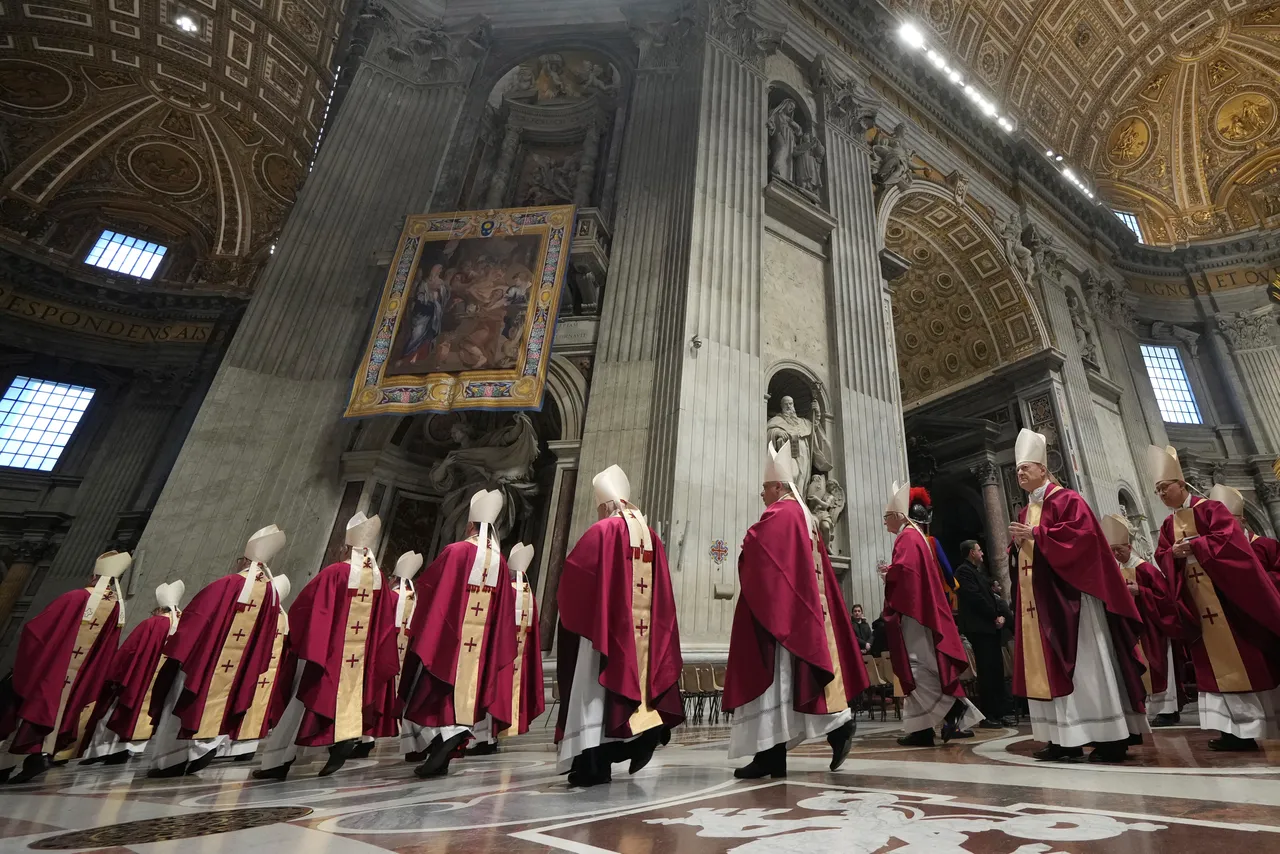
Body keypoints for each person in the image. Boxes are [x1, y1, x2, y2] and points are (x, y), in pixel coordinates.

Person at [723, 441, 865, 779]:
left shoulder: (781, 513)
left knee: (778, 682)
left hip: (783, 616)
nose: (762, 494)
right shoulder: (805, 516)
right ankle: (772, 756)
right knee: (788, 686)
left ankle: (830, 730)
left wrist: (746, 546)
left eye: (765, 487)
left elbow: (760, 550)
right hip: (798, 612)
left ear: (778, 486)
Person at [1009, 429, 1148, 763]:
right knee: (1049, 668)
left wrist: (1037, 534)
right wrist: (1016, 547)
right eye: (1017, 470)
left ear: (1043, 469)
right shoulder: (1025, 511)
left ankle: (1110, 738)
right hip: (1041, 604)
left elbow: (1083, 540)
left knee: (1086, 666)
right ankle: (1063, 739)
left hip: (1074, 601)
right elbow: (1026, 554)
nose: (1020, 473)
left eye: (1026, 467)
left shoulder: (1068, 500)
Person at [556, 465, 683, 787]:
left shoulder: (602, 531)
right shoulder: (651, 536)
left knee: (594, 692)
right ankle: (637, 737)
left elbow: (575, 574)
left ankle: (594, 764)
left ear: (605, 506)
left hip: (604, 633)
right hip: (641, 635)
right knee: (627, 687)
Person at [1149, 446, 1280, 751]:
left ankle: (1248, 730)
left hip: (1227, 601)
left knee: (1241, 661)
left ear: (1181, 484)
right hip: (1198, 605)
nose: (1161, 494)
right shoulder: (1168, 524)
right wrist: (1172, 553)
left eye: (1165, 487)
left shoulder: (1211, 510)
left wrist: (1195, 546)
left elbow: (1230, 542)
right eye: (1157, 490)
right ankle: (1229, 731)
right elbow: (1162, 554)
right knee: (1212, 667)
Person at [253, 513, 399, 780]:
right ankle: (342, 738)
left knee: (301, 701)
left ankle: (277, 761)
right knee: (344, 700)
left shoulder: (335, 572)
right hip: (358, 660)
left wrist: (300, 641)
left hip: (325, 654)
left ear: (345, 548)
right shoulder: (377, 579)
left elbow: (306, 609)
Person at [147, 526, 286, 778]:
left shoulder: (227, 583)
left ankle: (171, 760)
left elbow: (197, 617)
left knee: (182, 700)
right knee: (221, 701)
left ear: (244, 561)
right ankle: (206, 745)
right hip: (238, 666)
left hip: (206, 660)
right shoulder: (270, 594)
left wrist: (178, 648)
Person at [400, 491, 516, 777]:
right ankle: (448, 744)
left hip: (449, 638)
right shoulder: (499, 562)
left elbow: (431, 589)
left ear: (470, 525)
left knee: (428, 690)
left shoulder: (455, 551)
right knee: (461, 690)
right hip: (479, 646)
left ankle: (448, 735)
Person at [0, 551, 130, 784]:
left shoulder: (75, 597)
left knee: (31, 707)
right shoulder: (115, 608)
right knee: (61, 709)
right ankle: (40, 756)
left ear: (93, 576)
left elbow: (38, 631)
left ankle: (8, 764)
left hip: (53, 670)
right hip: (79, 676)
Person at [882, 483, 984, 746]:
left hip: (914, 613)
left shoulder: (907, 537)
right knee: (926, 667)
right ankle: (921, 730)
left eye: (887, 516)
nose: (884, 522)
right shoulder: (917, 536)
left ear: (899, 515)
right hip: (922, 610)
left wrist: (889, 575)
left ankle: (953, 709)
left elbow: (906, 573)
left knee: (916, 667)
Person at [81, 581, 185, 765]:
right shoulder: (180, 625)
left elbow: (130, 650)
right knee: (146, 711)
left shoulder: (152, 623)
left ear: (159, 609)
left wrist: (113, 673)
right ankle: (129, 749)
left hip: (136, 678)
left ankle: (102, 751)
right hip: (159, 684)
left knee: (115, 710)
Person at [1101, 514, 1183, 727]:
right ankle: (1147, 709)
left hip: (1152, 628)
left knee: (1159, 667)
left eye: (1119, 549)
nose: (1116, 554)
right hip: (1131, 630)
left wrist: (1142, 592)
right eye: (1112, 551)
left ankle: (1168, 710)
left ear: (1129, 547)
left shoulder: (1146, 569)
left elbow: (1166, 598)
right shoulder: (1116, 572)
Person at [470, 542, 544, 754]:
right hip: (519, 656)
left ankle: (484, 739)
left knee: (490, 689)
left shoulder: (506, 592)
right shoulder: (529, 594)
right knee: (504, 692)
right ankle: (492, 737)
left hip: (500, 654)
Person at [954, 539, 1013, 728]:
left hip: (989, 628)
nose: (982, 553)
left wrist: (1000, 615)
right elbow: (976, 598)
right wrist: (994, 616)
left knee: (996, 671)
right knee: (987, 672)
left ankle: (999, 712)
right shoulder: (963, 572)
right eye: (979, 550)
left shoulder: (977, 572)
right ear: (971, 552)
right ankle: (988, 715)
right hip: (979, 628)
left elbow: (991, 597)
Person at [1210, 484, 1280, 591]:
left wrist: (1258, 581)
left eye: (1229, 521)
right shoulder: (1217, 552)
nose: (1225, 528)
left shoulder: (1267, 545)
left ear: (1243, 521)